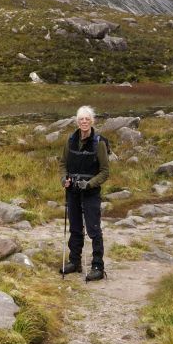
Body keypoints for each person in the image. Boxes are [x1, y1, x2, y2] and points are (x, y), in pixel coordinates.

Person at [60, 105, 109, 281]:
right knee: (75, 227)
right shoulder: (70, 140)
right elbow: (63, 164)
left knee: (93, 229)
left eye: (87, 119)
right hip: (72, 190)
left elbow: (105, 171)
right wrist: (64, 179)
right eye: (81, 119)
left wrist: (89, 184)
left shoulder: (99, 142)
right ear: (77, 121)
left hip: (91, 192)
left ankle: (97, 266)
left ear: (92, 121)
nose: (84, 122)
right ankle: (75, 261)